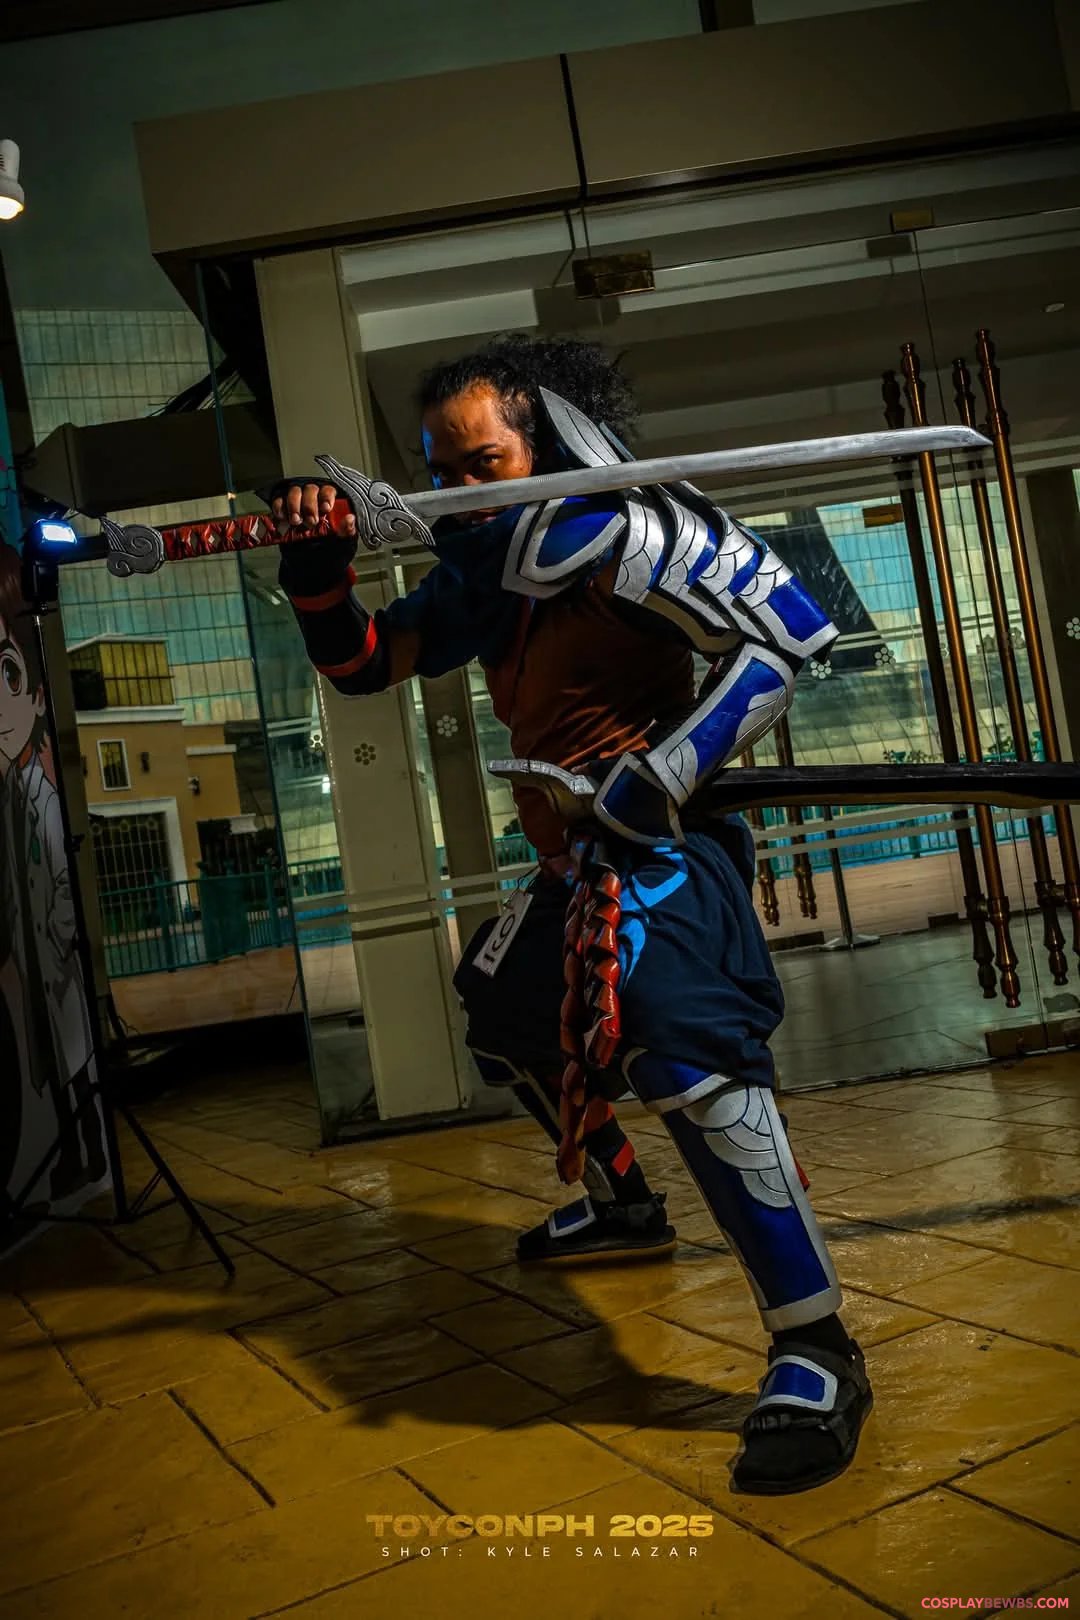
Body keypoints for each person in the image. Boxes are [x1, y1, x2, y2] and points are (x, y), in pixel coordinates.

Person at [271, 334, 872, 1494]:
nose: (459, 490)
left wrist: (665, 772)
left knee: (690, 1065)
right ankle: (623, 1201)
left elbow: (788, 635)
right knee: (502, 1011)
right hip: (568, 866)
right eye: (442, 471)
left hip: (659, 858)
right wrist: (316, 577)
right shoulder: (486, 572)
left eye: (483, 462)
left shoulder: (630, 534)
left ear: (545, 445)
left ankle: (817, 1347)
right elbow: (366, 662)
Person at [0, 540, 104, 1206]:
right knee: (52, 1062)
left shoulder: (36, 794)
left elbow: (59, 879)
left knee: (72, 1062)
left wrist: (58, 931)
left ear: (35, 696)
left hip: (52, 959)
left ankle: (85, 1150)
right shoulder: (12, 797)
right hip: (31, 960)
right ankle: (73, 1152)